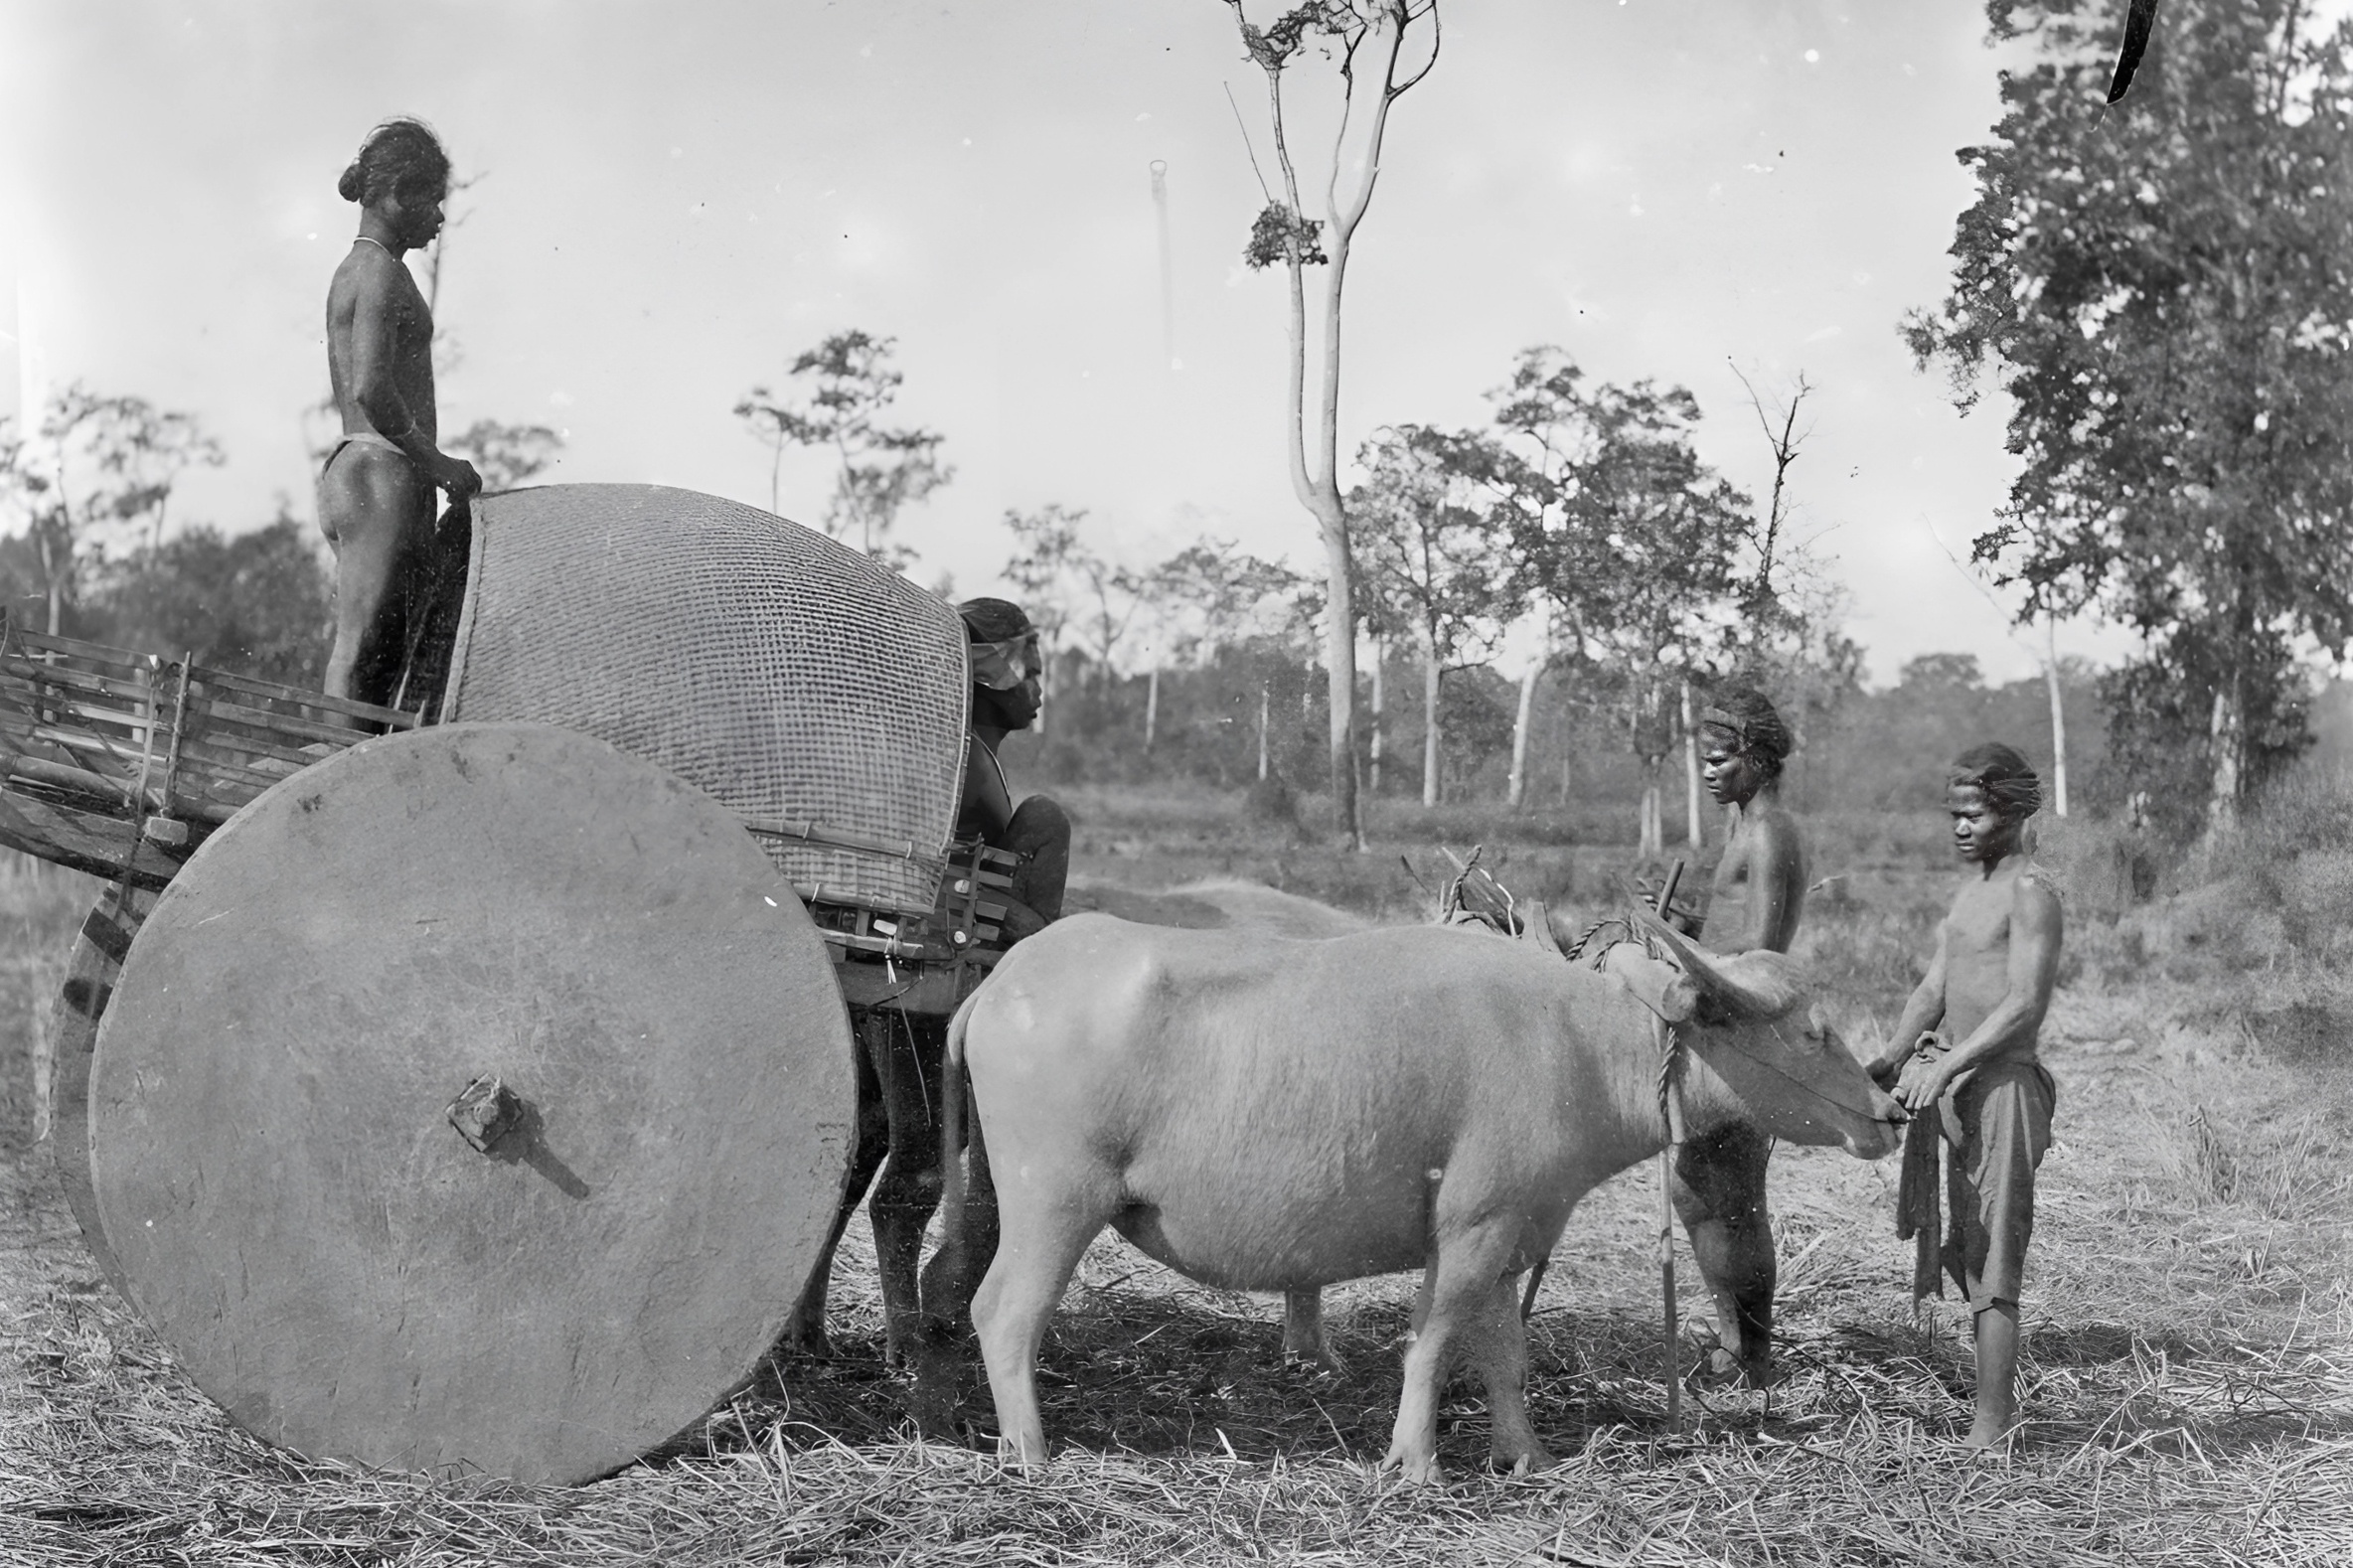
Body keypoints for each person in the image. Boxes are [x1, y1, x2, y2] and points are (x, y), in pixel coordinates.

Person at [1868, 742, 2062, 1450]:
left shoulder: (2031, 890)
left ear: (2011, 812)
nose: (1960, 827)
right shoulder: (1969, 892)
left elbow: (2023, 1005)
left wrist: (1947, 1069)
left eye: (1974, 814)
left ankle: (1991, 1426)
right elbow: (1934, 989)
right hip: (1956, 1087)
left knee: (1996, 1257)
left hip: (2004, 1089)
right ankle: (1987, 1405)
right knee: (1970, 1251)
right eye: (1954, 814)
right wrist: (1889, 1059)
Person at [1669, 686, 1807, 1386]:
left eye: (1721, 758)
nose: (1709, 771)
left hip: (1743, 1030)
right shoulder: (1741, 829)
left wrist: (1698, 960)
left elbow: (1760, 949)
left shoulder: (1769, 832)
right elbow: (1726, 932)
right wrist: (1679, 927)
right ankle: (1734, 1343)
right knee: (1699, 1191)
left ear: (1756, 757)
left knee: (1732, 1195)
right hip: (1716, 1026)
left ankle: (1753, 1357)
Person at [319, 117, 481, 708]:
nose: (438, 217)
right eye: (431, 201)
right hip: (380, 473)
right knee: (361, 647)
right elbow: (371, 388)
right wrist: (435, 461)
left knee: (384, 650)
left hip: (376, 471)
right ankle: (339, 786)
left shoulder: (367, 269)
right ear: (393, 196)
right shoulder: (378, 272)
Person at [955, 597, 1069, 941]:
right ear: (993, 675)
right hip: (956, 903)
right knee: (1044, 816)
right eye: (1030, 675)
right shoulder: (966, 755)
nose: (1038, 691)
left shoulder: (974, 749)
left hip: (969, 895)